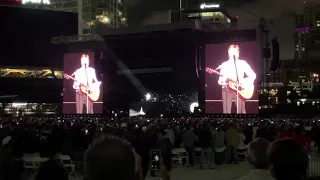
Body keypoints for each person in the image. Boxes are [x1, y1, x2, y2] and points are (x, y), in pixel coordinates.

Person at [208, 44, 256, 114]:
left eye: (235, 52)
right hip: (226, 89)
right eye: (231, 52)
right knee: (226, 111)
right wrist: (223, 80)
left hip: (240, 89)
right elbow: (220, 81)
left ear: (238, 53)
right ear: (228, 53)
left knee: (241, 111)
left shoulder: (243, 63)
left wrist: (243, 82)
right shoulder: (224, 65)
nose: (233, 54)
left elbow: (253, 75)